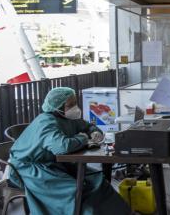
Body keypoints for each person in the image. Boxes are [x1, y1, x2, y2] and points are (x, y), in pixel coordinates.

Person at [9, 87, 131, 215]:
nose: (75, 107)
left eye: (75, 103)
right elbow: (62, 146)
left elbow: (86, 125)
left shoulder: (67, 118)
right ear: (58, 106)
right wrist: (83, 138)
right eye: (70, 105)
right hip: (31, 169)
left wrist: (94, 131)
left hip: (53, 164)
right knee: (74, 191)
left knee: (96, 180)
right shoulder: (46, 123)